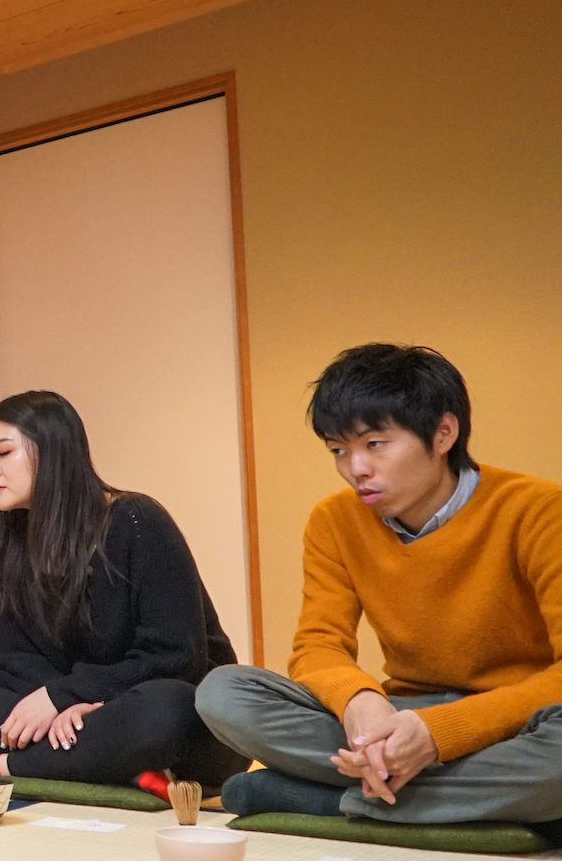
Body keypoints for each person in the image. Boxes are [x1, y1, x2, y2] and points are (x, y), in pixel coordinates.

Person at [197, 344, 562, 823]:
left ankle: (330, 800)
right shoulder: (334, 522)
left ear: (443, 433)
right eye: (338, 451)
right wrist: (360, 704)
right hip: (397, 713)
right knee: (224, 693)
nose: (356, 469)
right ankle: (463, 798)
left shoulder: (538, 510)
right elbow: (318, 646)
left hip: (514, 718)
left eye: (375, 444)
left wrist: (438, 734)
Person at [0, 390, 243, 789]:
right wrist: (57, 700)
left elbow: (176, 657)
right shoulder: (14, 539)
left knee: (164, 709)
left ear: (53, 453)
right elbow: (17, 660)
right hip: (76, 717)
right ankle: (111, 766)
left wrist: (67, 698)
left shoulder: (136, 521)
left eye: (4, 453)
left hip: (169, 712)